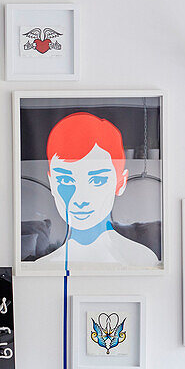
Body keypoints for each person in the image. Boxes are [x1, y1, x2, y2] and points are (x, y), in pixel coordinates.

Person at [33, 112, 159, 268]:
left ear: (121, 182)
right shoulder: (41, 268)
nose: (80, 199)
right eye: (66, 180)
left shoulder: (143, 260)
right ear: (52, 183)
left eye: (97, 180)